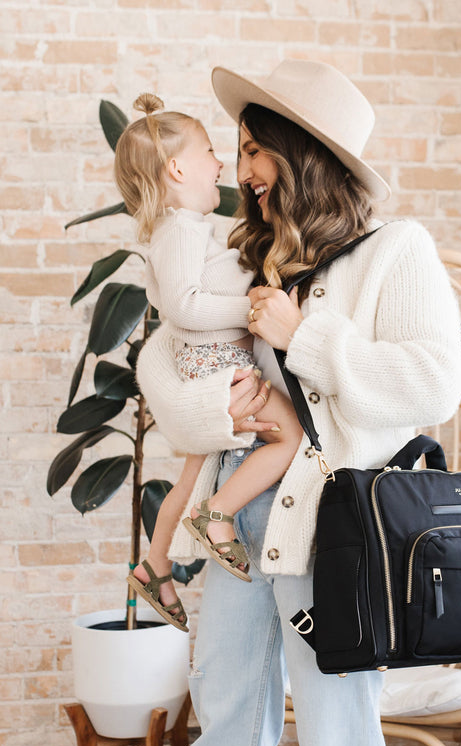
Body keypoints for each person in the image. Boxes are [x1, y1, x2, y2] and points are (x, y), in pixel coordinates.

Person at [136, 60, 461, 746]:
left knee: (333, 724)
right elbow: (161, 359)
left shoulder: (395, 251)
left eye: (253, 150)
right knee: (224, 703)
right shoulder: (245, 255)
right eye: (239, 150)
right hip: (239, 513)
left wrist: (306, 335)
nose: (242, 169)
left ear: (300, 152)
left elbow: (434, 384)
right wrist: (214, 410)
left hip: (332, 524)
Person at [114, 92, 302, 632]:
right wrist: (252, 308)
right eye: (211, 152)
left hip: (216, 361)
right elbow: (183, 306)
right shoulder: (177, 230)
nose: (224, 166)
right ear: (176, 168)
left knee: (191, 473)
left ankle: (155, 566)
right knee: (287, 438)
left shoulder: (193, 230)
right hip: (218, 363)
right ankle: (217, 516)